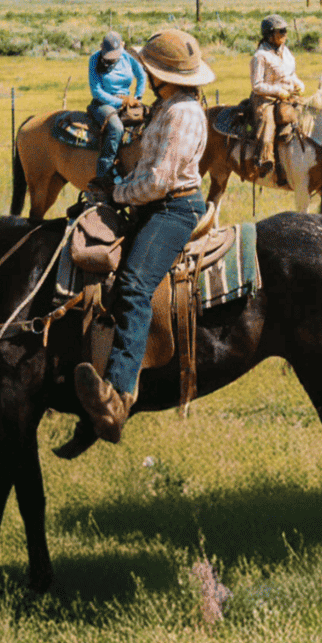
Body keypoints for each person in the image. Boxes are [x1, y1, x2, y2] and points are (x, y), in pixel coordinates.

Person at [74, 28, 214, 444]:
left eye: (150, 71)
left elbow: (158, 181)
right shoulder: (167, 105)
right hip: (154, 202)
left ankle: (120, 394)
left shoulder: (183, 113)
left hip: (174, 207)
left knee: (134, 285)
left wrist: (115, 191)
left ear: (159, 75)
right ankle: (90, 413)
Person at [84, 30, 147, 198]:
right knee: (116, 128)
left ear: (123, 47)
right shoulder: (94, 60)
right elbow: (96, 91)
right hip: (103, 103)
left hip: (127, 101)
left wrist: (138, 97)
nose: (111, 58)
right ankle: (105, 171)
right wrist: (121, 102)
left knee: (149, 118)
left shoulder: (127, 57)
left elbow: (141, 75)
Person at [249, 14, 304, 177]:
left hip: (288, 95)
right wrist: (278, 91)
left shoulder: (285, 52)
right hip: (265, 99)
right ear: (270, 34)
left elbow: (290, 74)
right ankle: (264, 160)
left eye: (285, 30)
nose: (285, 34)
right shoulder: (260, 56)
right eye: (281, 31)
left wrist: (298, 83)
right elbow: (257, 85)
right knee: (267, 124)